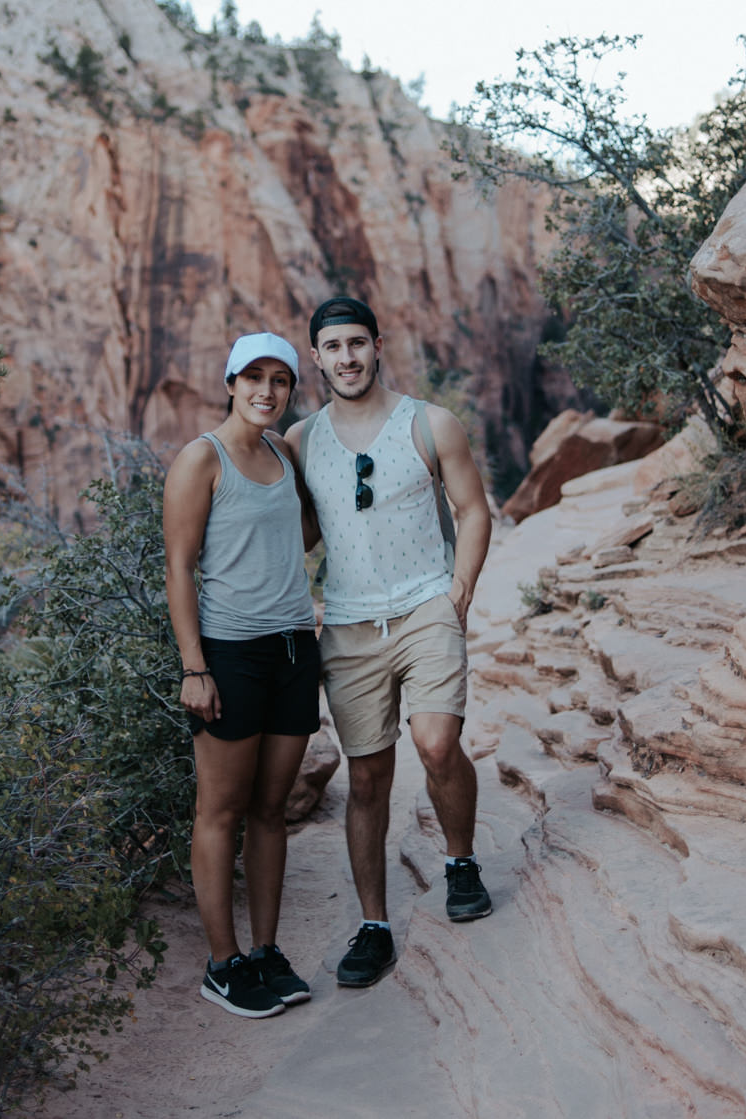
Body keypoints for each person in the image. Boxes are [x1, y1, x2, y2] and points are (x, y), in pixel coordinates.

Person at [284, 296, 494, 990]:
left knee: (435, 743)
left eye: (356, 343)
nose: (346, 358)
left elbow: (470, 509)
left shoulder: (430, 424)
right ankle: (374, 924)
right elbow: (304, 533)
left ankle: (460, 861)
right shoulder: (301, 441)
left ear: (378, 344)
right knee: (367, 776)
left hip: (425, 605)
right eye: (332, 347)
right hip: (346, 623)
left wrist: (456, 594)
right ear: (315, 357)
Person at [163, 332, 324, 1019]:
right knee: (220, 811)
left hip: (294, 647)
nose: (266, 390)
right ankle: (222, 965)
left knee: (270, 810)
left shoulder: (284, 452)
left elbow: (305, 531)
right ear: (230, 381)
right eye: (253, 377)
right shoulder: (203, 458)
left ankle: (264, 951)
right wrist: (193, 666)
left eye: (280, 380)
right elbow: (178, 567)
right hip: (230, 653)